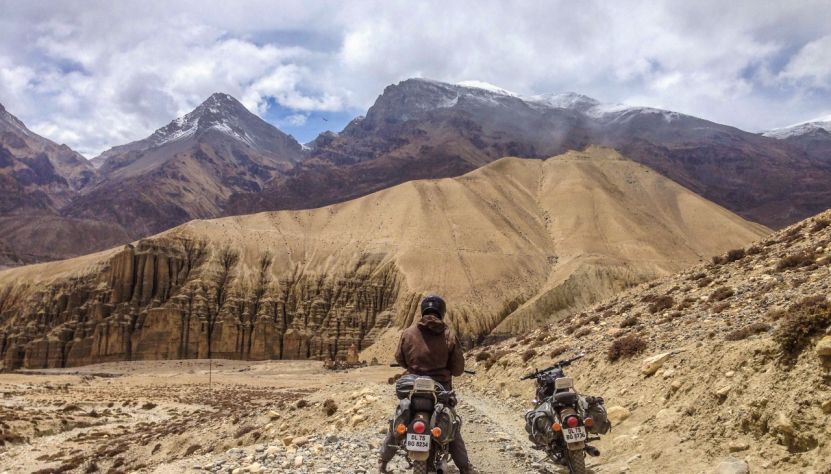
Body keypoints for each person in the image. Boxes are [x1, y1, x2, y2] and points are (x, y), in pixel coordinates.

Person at [377, 295, 475, 474]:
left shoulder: (408, 333)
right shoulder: (448, 335)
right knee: (452, 426)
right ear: (441, 312)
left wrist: (415, 368)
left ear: (423, 311)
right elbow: (458, 369)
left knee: (400, 419)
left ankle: (383, 462)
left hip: (413, 388)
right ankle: (465, 468)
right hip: (440, 391)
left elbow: (400, 358)